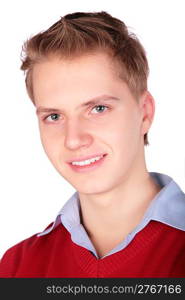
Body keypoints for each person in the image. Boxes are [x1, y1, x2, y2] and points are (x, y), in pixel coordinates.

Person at [0, 11, 185, 278]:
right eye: (54, 116)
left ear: (144, 113)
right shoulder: (18, 268)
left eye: (98, 108)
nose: (73, 139)